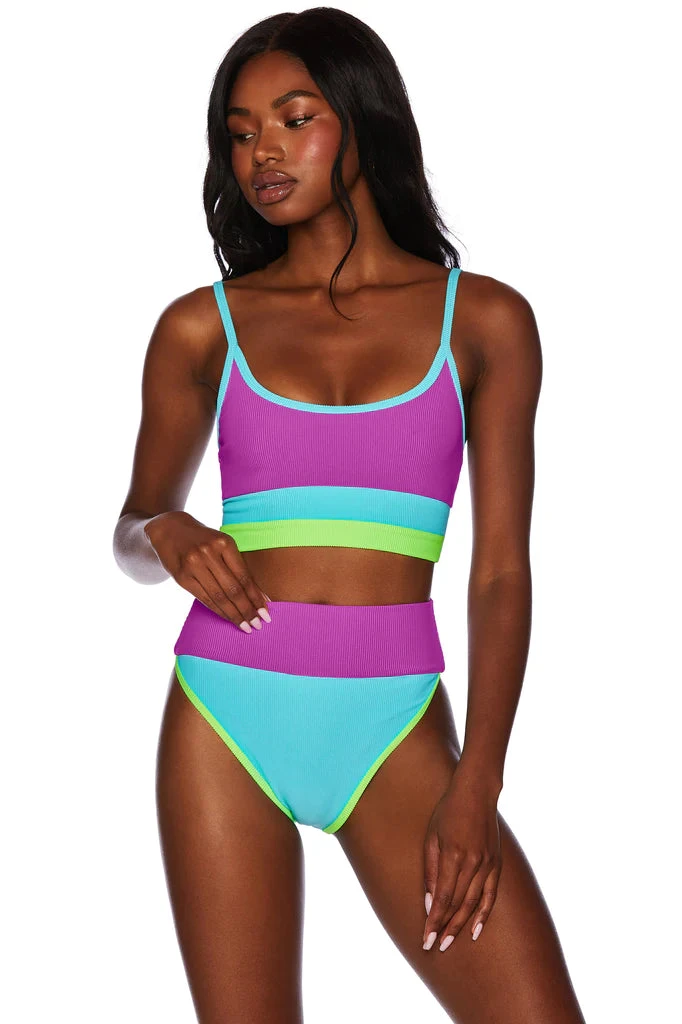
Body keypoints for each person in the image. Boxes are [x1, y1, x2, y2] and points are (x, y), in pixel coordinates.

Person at [113, 9, 586, 1023]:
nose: (262, 153)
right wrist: (166, 531)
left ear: (364, 121)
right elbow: (133, 530)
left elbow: (501, 570)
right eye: (240, 132)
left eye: (293, 119)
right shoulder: (201, 327)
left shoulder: (484, 321)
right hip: (224, 712)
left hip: (394, 724)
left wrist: (478, 784)